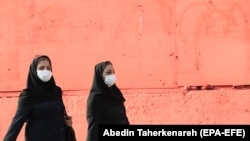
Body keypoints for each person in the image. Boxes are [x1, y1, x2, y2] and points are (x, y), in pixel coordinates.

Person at [3, 55, 72, 141]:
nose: (45, 71)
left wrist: (66, 121)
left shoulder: (56, 91)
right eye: (41, 68)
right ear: (34, 71)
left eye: (48, 68)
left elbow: (58, 113)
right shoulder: (28, 96)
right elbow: (16, 124)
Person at [86, 61, 129, 141]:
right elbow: (92, 131)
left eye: (113, 72)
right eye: (108, 73)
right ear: (100, 76)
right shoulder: (95, 100)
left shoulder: (116, 94)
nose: (112, 76)